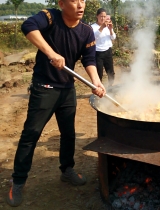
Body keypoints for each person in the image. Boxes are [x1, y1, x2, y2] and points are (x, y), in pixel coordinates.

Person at [6, 0, 106, 207]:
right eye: (74, 1)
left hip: (67, 89)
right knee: (31, 133)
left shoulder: (86, 31)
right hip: (44, 87)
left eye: (83, 1)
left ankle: (67, 170)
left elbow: (89, 59)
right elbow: (28, 26)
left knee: (68, 133)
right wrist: (50, 53)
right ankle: (18, 181)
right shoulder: (50, 17)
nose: (80, 5)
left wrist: (96, 82)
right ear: (61, 3)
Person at [91, 8, 116, 87]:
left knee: (110, 71)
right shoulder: (92, 27)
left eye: (104, 16)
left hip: (108, 51)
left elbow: (113, 38)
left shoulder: (108, 26)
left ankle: (110, 87)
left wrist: (111, 29)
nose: (103, 18)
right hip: (98, 53)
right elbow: (93, 38)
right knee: (99, 73)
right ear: (97, 16)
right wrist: (101, 27)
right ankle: (98, 89)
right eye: (101, 16)